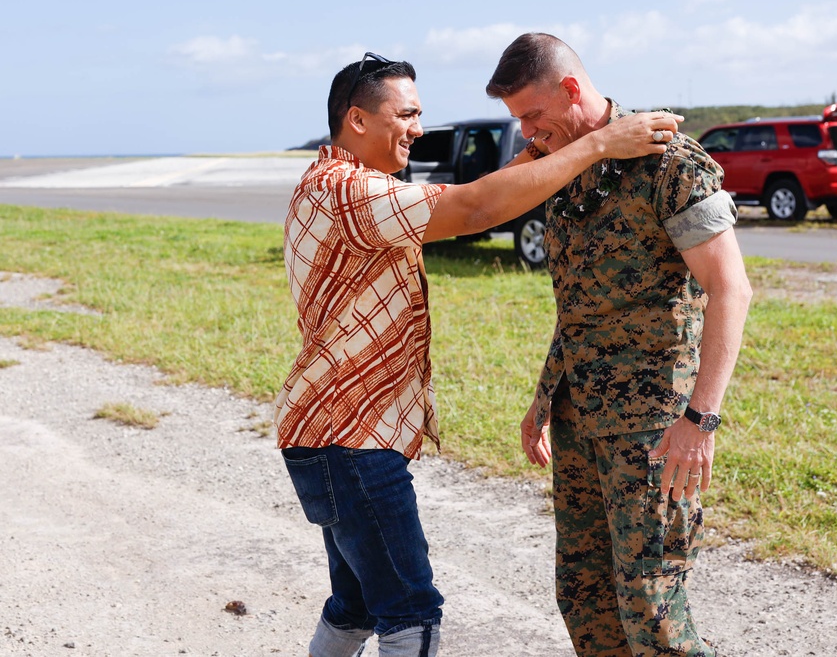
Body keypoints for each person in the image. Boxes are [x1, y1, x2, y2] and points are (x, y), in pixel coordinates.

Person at [273, 51, 680, 657]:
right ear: (357, 121)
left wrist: (543, 151)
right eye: (406, 115)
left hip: (327, 434)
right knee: (411, 614)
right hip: (350, 439)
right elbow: (476, 209)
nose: (418, 128)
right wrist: (599, 146)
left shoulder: (339, 185)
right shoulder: (348, 191)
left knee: (356, 603)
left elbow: (480, 190)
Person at [486, 34, 753, 656]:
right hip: (581, 417)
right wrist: (543, 399)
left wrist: (701, 419)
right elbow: (580, 304)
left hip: (653, 430)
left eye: (532, 114)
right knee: (585, 599)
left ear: (571, 90)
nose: (527, 132)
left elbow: (731, 290)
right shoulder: (562, 169)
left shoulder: (670, 162)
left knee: (651, 612)